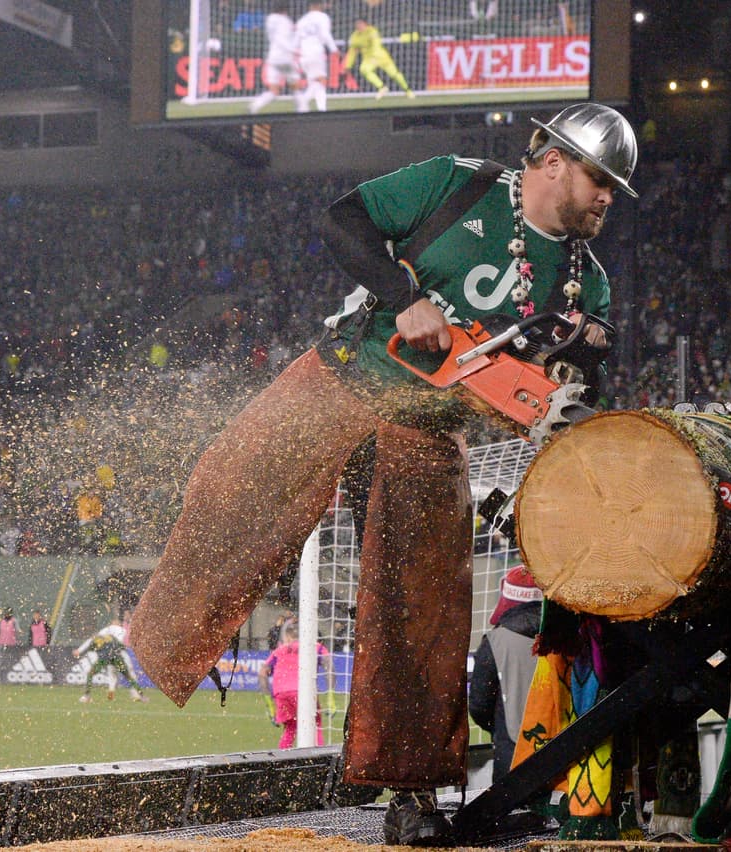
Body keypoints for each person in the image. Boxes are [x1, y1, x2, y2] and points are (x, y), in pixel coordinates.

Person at [130, 101, 636, 846]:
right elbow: (342, 222)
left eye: (615, 192)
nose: (606, 200)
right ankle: (159, 644)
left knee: (422, 609)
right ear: (554, 160)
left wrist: (567, 386)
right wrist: (407, 299)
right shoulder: (455, 185)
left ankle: (410, 794)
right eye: (600, 181)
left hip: (429, 431)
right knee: (228, 481)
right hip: (342, 376)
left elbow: (552, 401)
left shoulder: (586, 292)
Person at [468, 565, 544, 783]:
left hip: (512, 760)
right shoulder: (575, 637)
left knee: (513, 815)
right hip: (571, 757)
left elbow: (479, 705)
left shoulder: (495, 643)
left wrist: (499, 730)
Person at [258, 620, 335, 749]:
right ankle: (320, 761)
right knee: (315, 724)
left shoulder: (279, 650)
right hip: (303, 691)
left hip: (282, 693)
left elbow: (262, 674)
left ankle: (281, 762)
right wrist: (330, 696)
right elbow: (330, 667)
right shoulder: (316, 647)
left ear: (287, 636)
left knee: (290, 728)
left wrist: (269, 704)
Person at [73, 615, 146, 703]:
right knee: (129, 675)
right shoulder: (122, 630)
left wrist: (80, 650)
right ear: (119, 623)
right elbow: (121, 644)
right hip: (118, 655)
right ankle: (139, 695)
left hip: (105, 657)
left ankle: (91, 695)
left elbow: (92, 640)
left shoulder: (105, 631)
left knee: (110, 673)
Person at [343, 19, 413, 100]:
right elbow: (352, 52)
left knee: (394, 74)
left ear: (365, 24)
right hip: (369, 59)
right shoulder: (355, 36)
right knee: (364, 69)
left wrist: (374, 56)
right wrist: (348, 65)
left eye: (360, 23)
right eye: (357, 24)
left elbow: (376, 44)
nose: (358, 26)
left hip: (381, 57)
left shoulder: (372, 31)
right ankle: (382, 87)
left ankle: (407, 90)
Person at [248, 4, 299, 115]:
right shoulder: (285, 21)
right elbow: (282, 39)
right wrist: (294, 50)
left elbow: (275, 38)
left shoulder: (270, 19)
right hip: (285, 58)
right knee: (295, 86)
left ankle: (254, 106)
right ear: (285, 10)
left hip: (272, 57)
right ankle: (302, 110)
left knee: (274, 90)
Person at [295, 2, 339, 113]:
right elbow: (325, 34)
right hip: (316, 53)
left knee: (315, 82)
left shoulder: (302, 20)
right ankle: (304, 101)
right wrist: (334, 49)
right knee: (321, 81)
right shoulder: (323, 17)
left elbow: (296, 39)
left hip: (304, 55)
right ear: (319, 5)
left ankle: (320, 109)